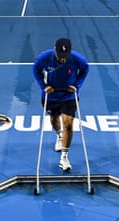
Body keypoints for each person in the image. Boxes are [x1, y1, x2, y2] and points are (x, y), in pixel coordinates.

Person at [33, 38, 89, 171]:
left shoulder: (77, 59)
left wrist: (77, 85)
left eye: (65, 56)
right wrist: (43, 86)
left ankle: (64, 157)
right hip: (51, 95)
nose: (63, 59)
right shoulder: (44, 58)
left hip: (69, 95)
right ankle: (59, 134)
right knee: (54, 120)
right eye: (60, 56)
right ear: (54, 50)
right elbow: (36, 70)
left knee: (68, 123)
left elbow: (85, 69)